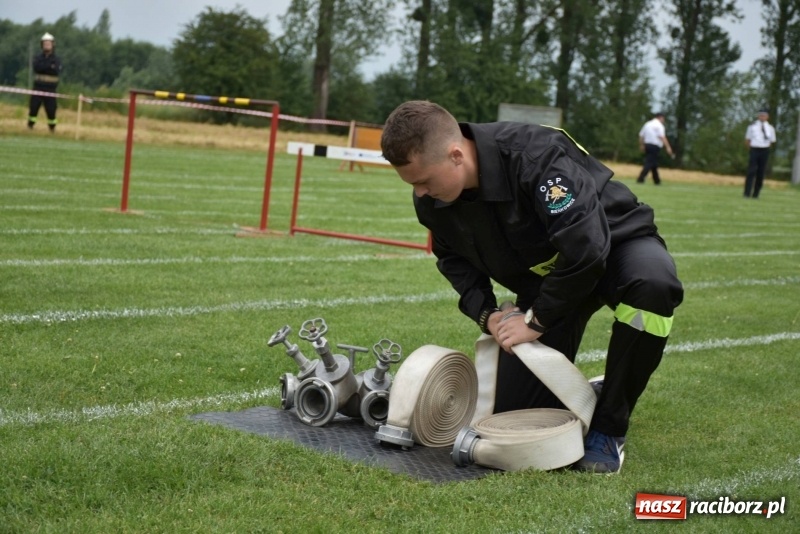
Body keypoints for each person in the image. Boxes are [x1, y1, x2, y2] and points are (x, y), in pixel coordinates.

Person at [380, 100, 683, 474]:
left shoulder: (535, 156)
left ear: (456, 155)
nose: (420, 193)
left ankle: (609, 425)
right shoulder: (432, 200)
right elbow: (453, 260)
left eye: (424, 181)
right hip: (552, 279)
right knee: (516, 418)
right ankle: (593, 391)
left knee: (653, 287)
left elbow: (586, 248)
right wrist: (488, 315)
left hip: (614, 245)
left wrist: (538, 319)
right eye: (413, 184)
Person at [28, 32, 63, 132]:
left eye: (48, 43)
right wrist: (49, 66)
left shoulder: (56, 59)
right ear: (42, 45)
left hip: (50, 88)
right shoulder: (38, 58)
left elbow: (56, 70)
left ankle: (52, 129)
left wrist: (44, 66)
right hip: (38, 87)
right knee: (33, 108)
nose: (47, 45)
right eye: (45, 43)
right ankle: (30, 126)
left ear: (53, 44)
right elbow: (37, 68)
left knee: (51, 110)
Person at [743, 108, 776, 198]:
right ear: (758, 116)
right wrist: (751, 149)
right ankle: (747, 193)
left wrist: (766, 148)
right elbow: (747, 139)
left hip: (764, 150)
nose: (762, 117)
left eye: (764, 115)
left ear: (767, 117)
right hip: (754, 149)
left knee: (761, 172)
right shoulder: (752, 126)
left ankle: (756, 194)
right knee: (751, 171)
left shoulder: (770, 128)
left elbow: (772, 141)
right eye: (761, 115)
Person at [636, 112, 674, 185]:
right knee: (649, 162)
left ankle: (657, 180)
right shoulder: (659, 126)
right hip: (655, 146)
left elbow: (641, 135)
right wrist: (668, 147)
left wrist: (642, 145)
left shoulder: (647, 124)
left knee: (654, 163)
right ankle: (641, 178)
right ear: (660, 118)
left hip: (647, 145)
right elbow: (662, 137)